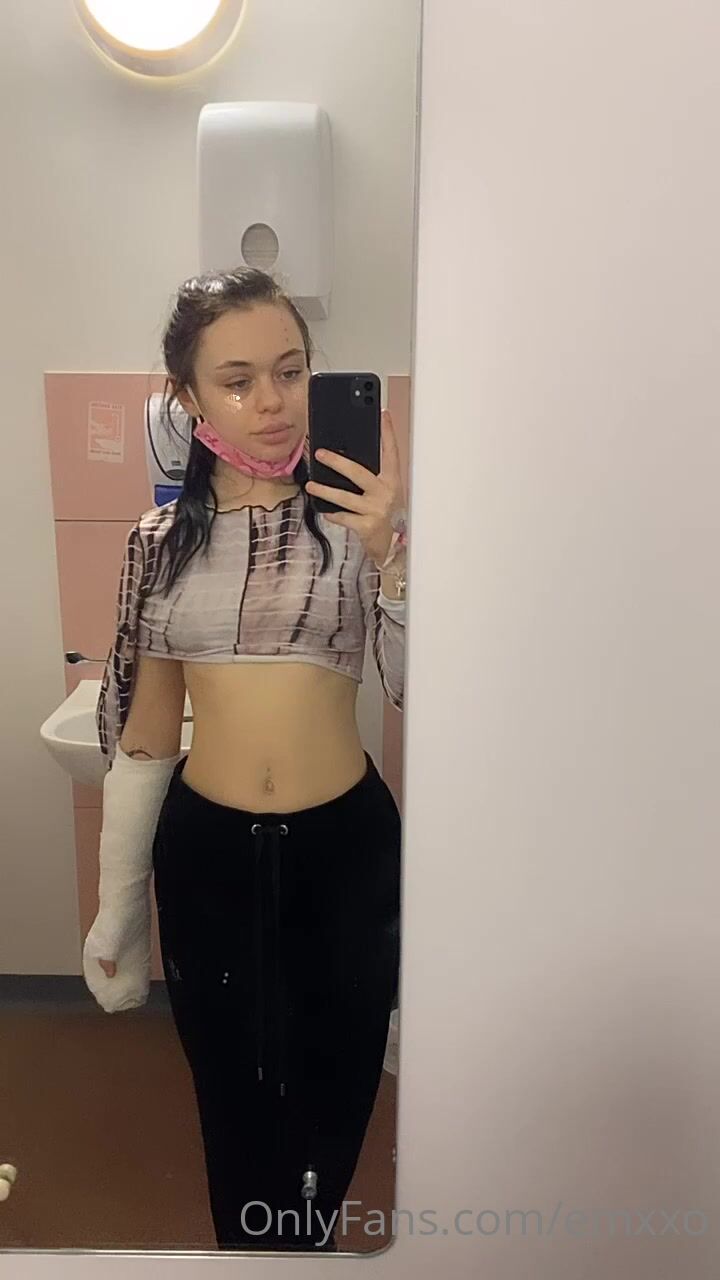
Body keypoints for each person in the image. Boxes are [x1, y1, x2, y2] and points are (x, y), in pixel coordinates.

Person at [82, 267, 407, 1253]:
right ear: (186, 397)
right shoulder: (158, 544)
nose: (272, 402)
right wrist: (119, 907)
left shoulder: (358, 527)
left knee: (336, 1094)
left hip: (343, 851)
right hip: (209, 857)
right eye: (236, 380)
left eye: (291, 371)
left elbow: (424, 694)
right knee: (230, 1101)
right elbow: (147, 736)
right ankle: (251, 1259)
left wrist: (395, 553)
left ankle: (304, 1248)